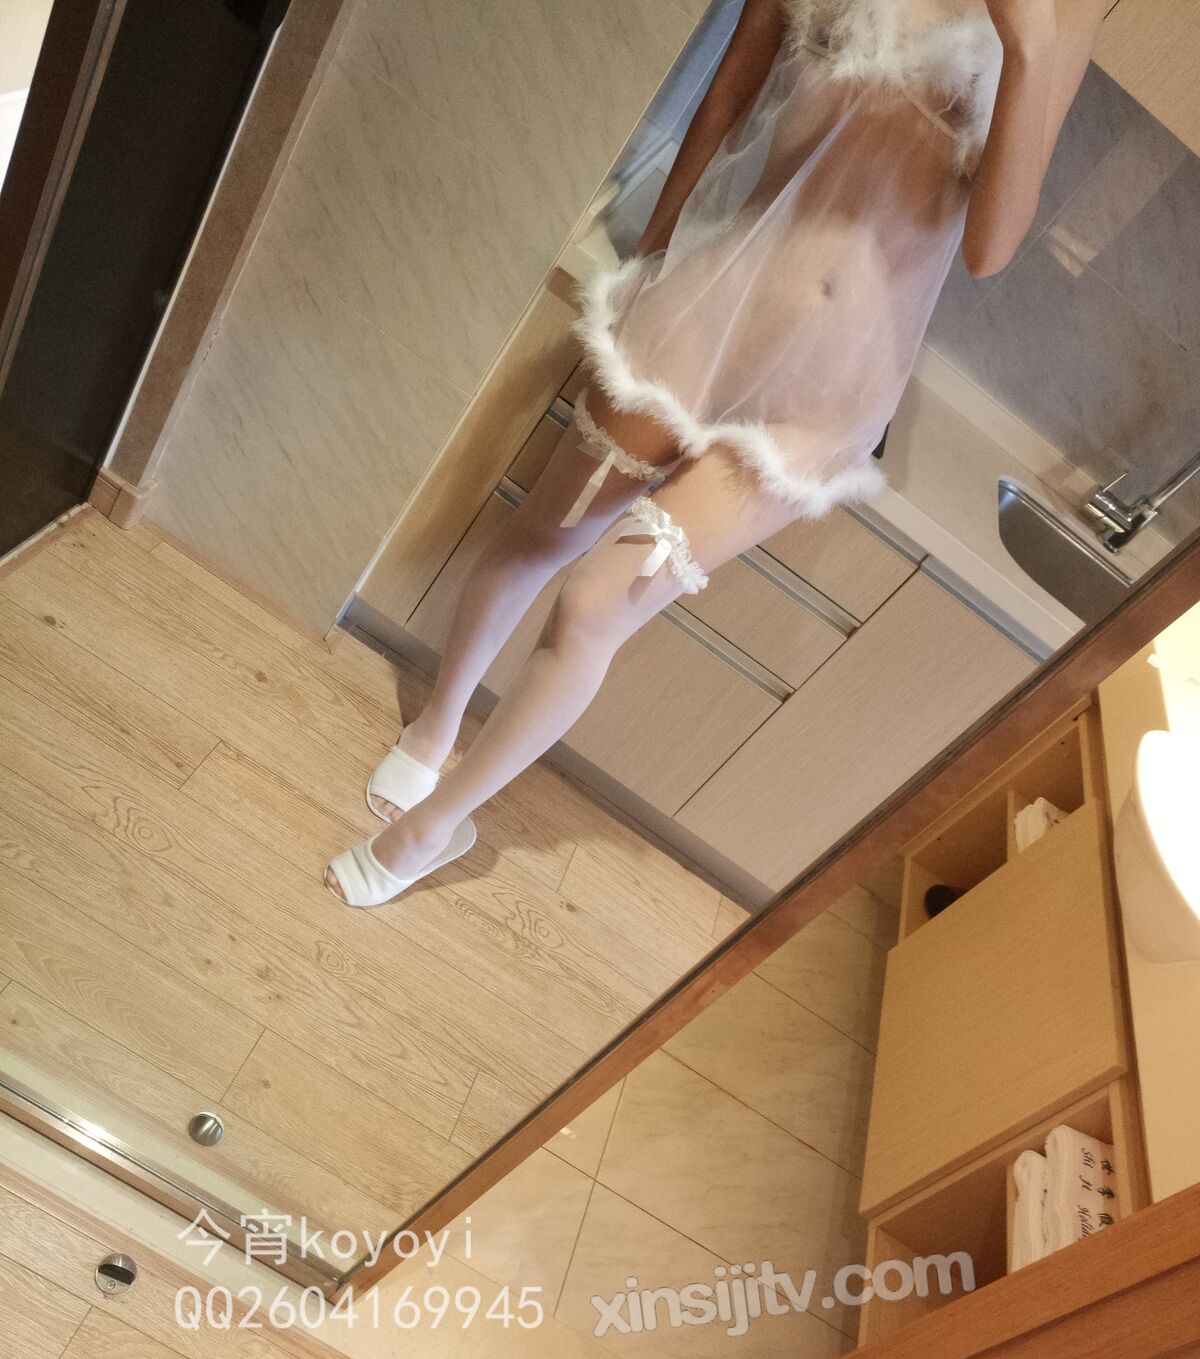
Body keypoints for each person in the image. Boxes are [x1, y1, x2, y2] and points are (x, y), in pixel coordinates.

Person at [326, 0, 1109, 906]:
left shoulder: (1061, 17)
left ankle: (434, 827)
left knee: (592, 606)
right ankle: (435, 726)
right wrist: (652, 259)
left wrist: (1029, 44)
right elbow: (726, 99)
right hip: (707, 309)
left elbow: (990, 249)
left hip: (824, 392)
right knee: (545, 529)